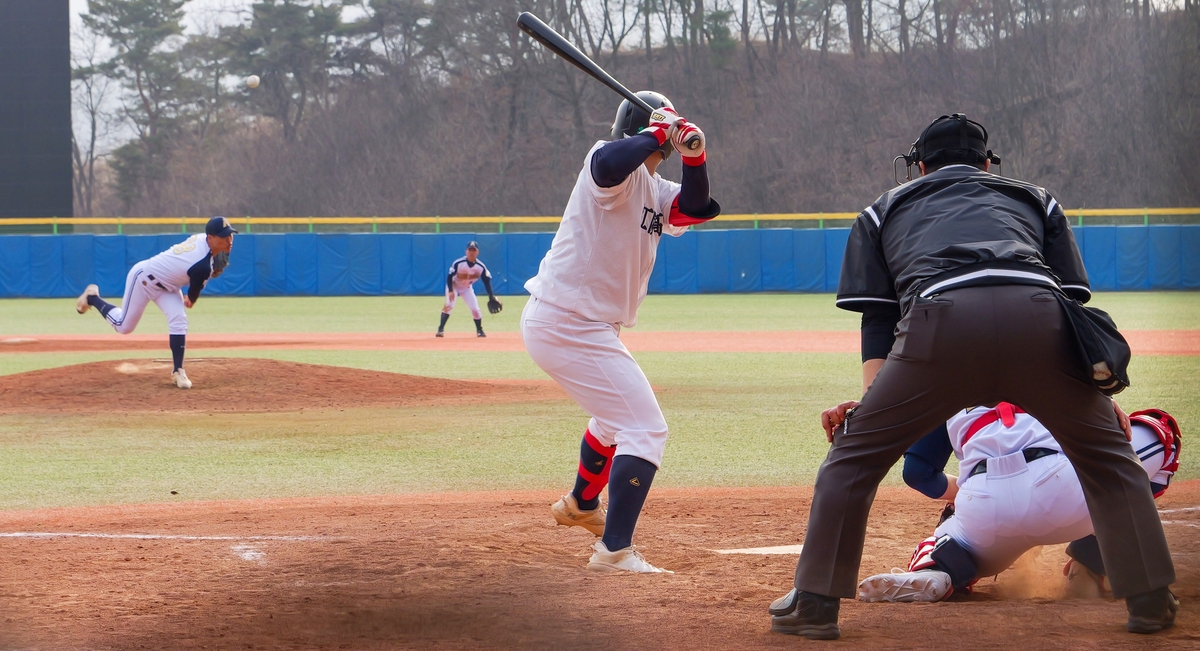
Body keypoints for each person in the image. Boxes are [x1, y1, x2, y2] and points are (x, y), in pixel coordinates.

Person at [768, 114, 1176, 639]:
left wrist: (871, 406)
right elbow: (1073, 304)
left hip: (941, 322)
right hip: (1041, 318)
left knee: (852, 460)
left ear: (918, 167)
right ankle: (1149, 599)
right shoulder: (1036, 199)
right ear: (987, 164)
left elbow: (879, 317)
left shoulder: (882, 209)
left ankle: (817, 604)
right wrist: (1091, 399)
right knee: (1110, 458)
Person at [523, 91, 720, 573]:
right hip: (568, 320)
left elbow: (695, 208)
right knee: (645, 427)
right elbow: (610, 161)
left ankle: (581, 504)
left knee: (614, 420)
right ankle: (613, 553)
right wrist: (659, 130)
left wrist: (694, 156)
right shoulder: (605, 166)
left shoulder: (654, 187)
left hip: (583, 325)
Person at [854, 403, 1181, 602]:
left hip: (984, 506)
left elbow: (917, 474)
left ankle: (939, 570)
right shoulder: (1051, 359)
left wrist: (961, 491)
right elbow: (1102, 429)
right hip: (1064, 490)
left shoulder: (946, 383)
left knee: (955, 530)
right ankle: (1094, 560)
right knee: (1161, 432)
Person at [75, 216, 236, 389]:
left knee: (179, 319)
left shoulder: (200, 238)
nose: (229, 240)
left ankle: (178, 371)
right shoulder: (202, 266)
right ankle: (92, 297)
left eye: (230, 235)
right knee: (124, 326)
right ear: (210, 238)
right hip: (143, 279)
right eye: (224, 236)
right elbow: (193, 293)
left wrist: (212, 263)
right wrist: (192, 299)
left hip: (168, 286)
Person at [436, 241, 501, 338]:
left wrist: (491, 296)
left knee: (475, 309)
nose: (472, 252)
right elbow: (449, 277)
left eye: (474, 250)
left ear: (477, 252)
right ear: (466, 252)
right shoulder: (458, 263)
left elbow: (486, 282)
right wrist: (450, 291)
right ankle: (440, 329)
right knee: (449, 305)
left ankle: (480, 330)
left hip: (467, 288)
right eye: (470, 250)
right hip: (454, 286)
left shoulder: (481, 267)